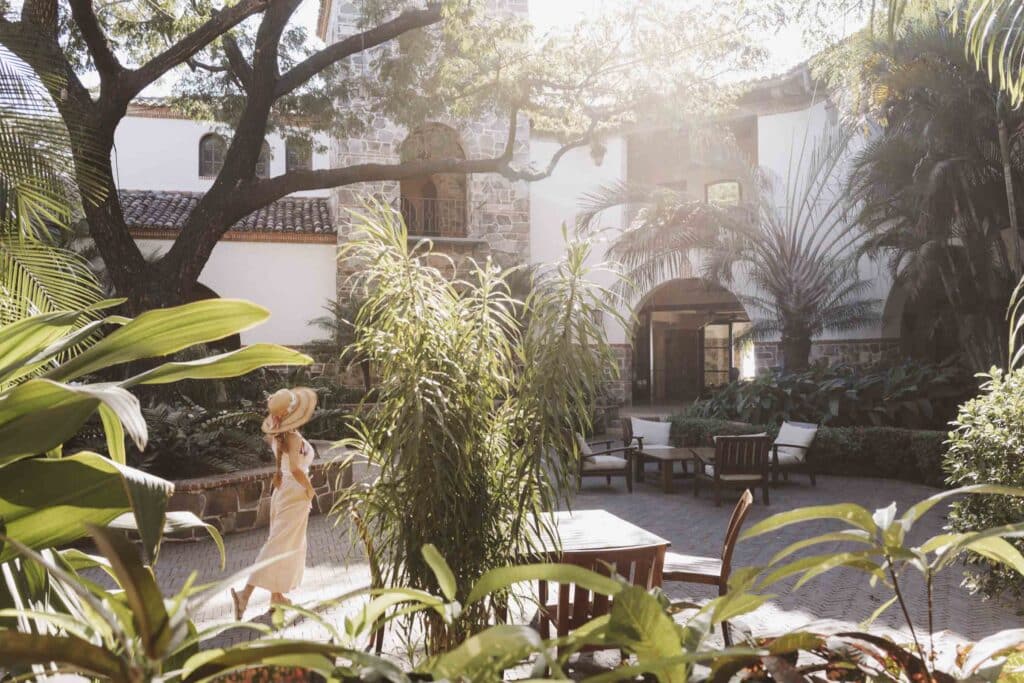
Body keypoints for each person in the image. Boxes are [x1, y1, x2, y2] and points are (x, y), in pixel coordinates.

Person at [230, 387, 318, 618]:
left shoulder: (278, 437)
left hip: (281, 491)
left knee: (280, 542)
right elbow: (297, 469)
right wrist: (310, 489)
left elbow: (285, 464)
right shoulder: (293, 437)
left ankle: (276, 598)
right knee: (278, 545)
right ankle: (244, 595)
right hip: (294, 491)